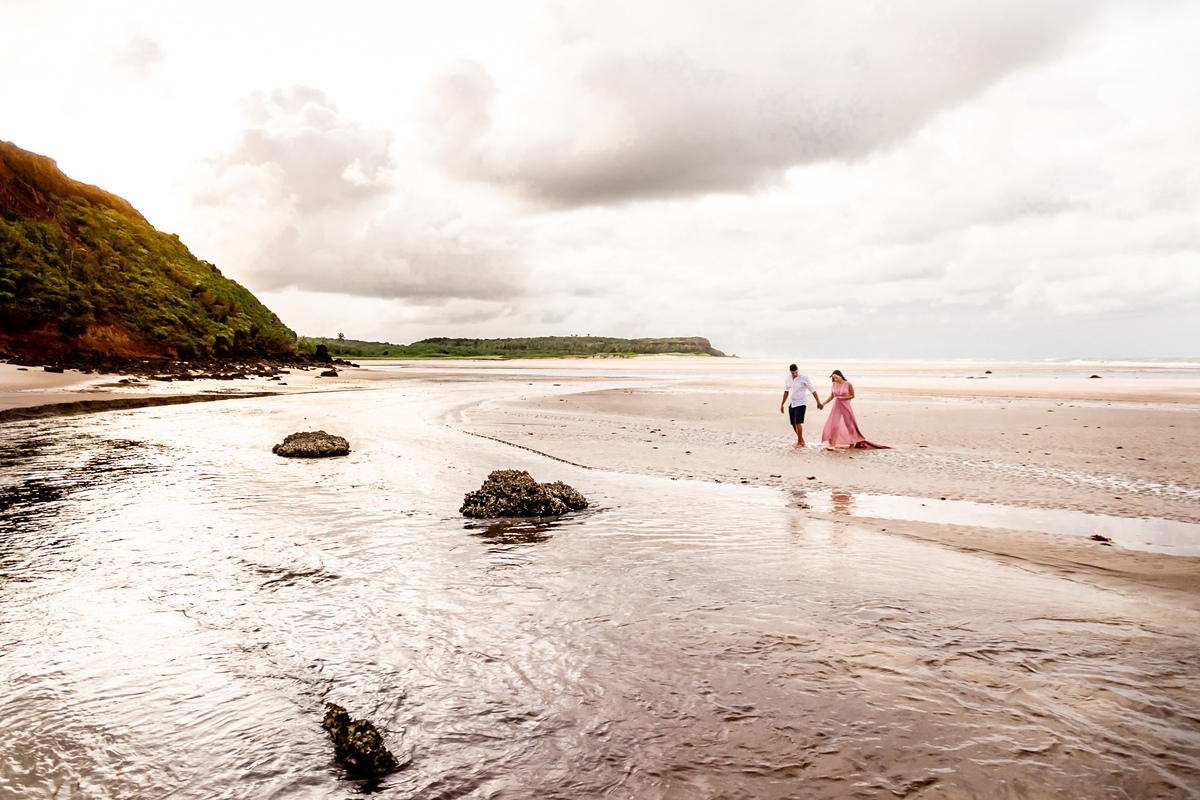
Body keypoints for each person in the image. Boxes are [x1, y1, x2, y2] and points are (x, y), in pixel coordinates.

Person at [819, 370, 891, 450]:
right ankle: (833, 444)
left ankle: (852, 443)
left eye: (836, 377)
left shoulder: (848, 384)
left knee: (849, 425)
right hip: (836, 406)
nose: (835, 379)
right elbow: (832, 396)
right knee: (835, 426)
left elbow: (853, 395)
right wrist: (823, 404)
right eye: (834, 378)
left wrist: (843, 398)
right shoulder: (834, 384)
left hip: (846, 406)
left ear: (840, 376)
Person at [780, 363, 822, 448]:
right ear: (790, 371)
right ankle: (801, 440)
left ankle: (799, 442)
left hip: (801, 403)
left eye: (795, 372)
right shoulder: (788, 378)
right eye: (793, 373)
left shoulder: (803, 377)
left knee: (798, 422)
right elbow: (786, 391)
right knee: (793, 423)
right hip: (791, 403)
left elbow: (812, 389)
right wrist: (782, 404)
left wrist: (818, 402)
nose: (794, 374)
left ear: (797, 370)